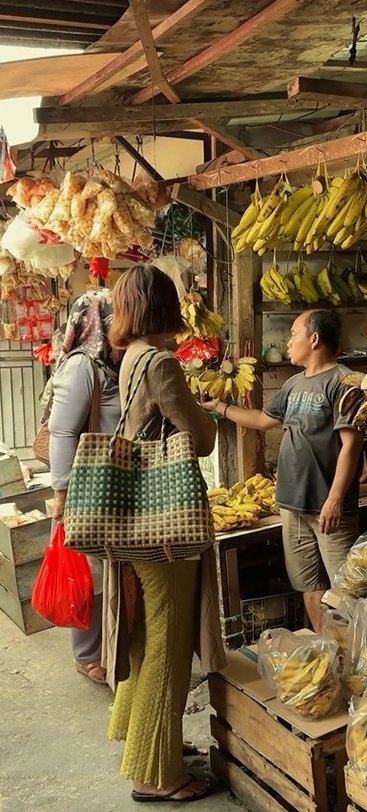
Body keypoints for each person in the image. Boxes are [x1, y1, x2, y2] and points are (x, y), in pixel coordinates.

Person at [106, 265, 226, 803]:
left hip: (136, 519)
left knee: (146, 635)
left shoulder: (130, 355)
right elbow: (200, 439)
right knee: (169, 642)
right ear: (165, 305)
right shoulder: (162, 363)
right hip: (167, 526)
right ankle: (156, 775)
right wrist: (211, 415)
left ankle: (152, 743)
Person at [205, 309, 364, 633]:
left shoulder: (344, 382)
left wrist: (335, 499)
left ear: (314, 338)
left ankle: (359, 664)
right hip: (291, 505)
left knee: (348, 592)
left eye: (293, 334)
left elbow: (352, 445)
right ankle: (329, 653)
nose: (287, 341)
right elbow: (263, 420)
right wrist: (220, 408)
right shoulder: (293, 385)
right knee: (310, 586)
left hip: (328, 508)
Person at [49, 288, 122, 684]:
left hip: (109, 481)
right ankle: (87, 653)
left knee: (104, 570)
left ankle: (106, 644)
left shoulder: (113, 362)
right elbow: (62, 431)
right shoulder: (82, 365)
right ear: (97, 319)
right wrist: (61, 494)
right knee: (89, 575)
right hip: (83, 487)